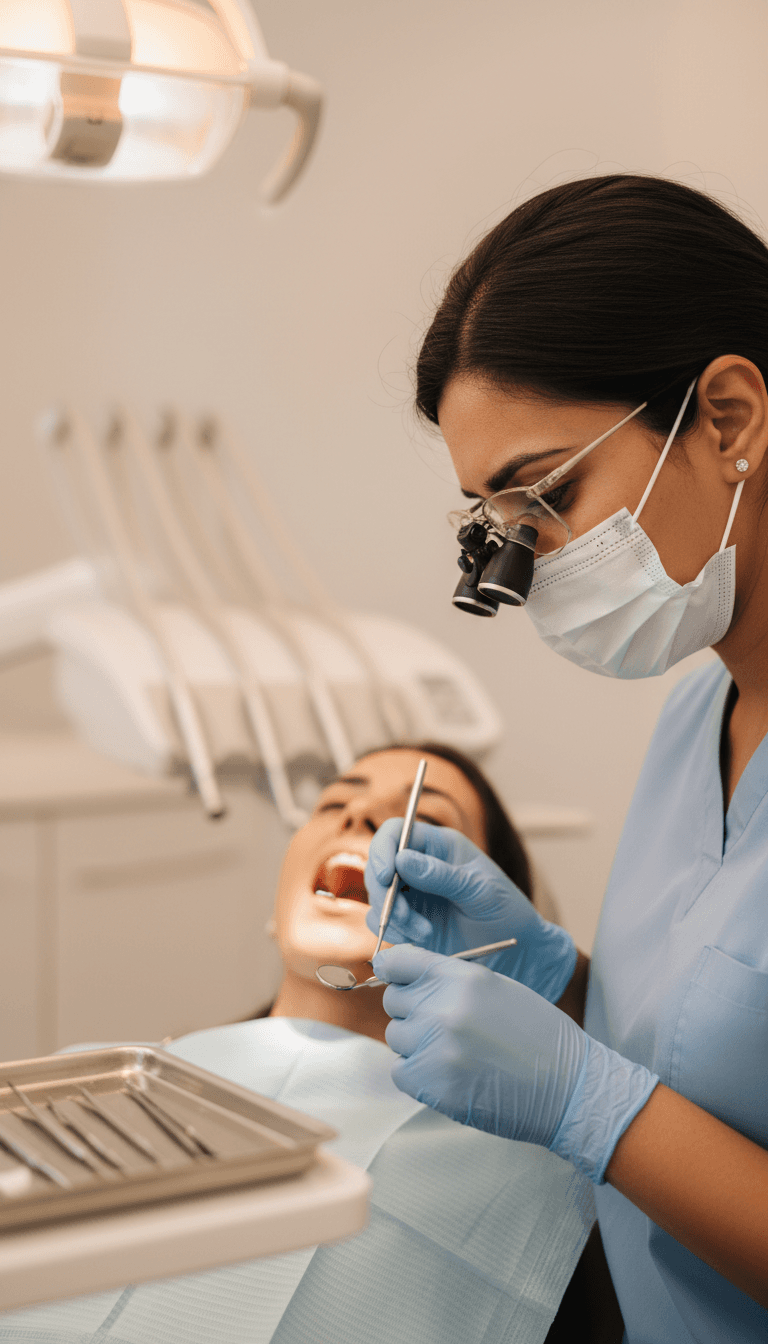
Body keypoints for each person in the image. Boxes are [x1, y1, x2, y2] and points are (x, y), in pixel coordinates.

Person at [364, 174, 768, 1344]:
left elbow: (632, 1109)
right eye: (497, 525)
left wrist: (590, 1103)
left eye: (544, 496)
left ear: (730, 419)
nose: (527, 562)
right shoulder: (698, 726)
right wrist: (553, 984)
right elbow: (709, 1058)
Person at [0, 743, 591, 1344]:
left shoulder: (532, 1175)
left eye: (429, 821)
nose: (360, 817)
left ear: (490, 938)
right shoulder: (91, 1083)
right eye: (334, 800)